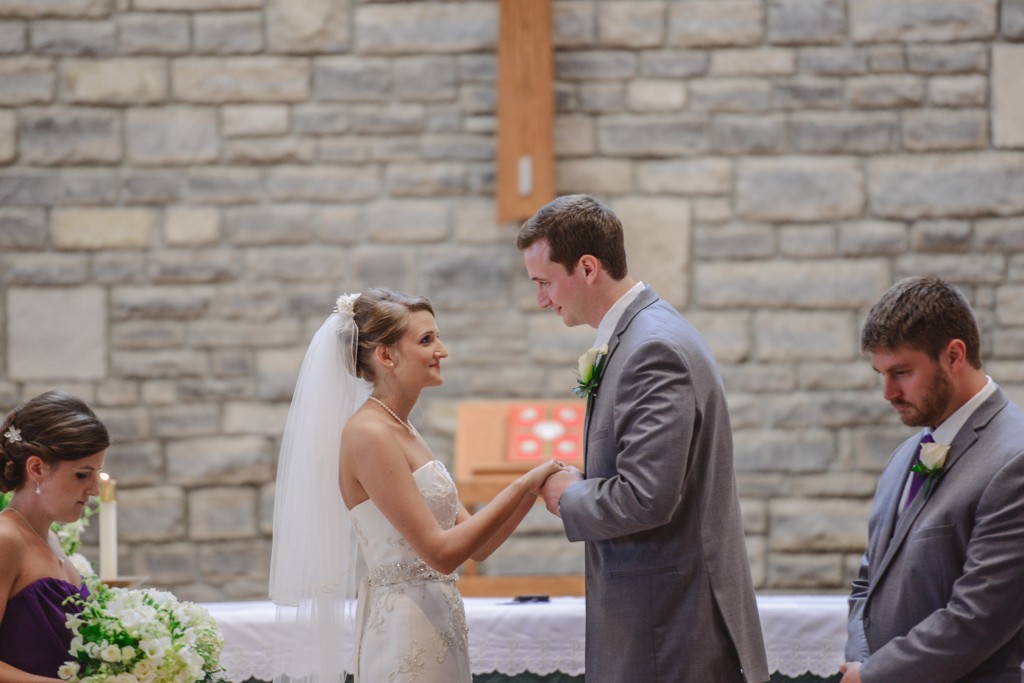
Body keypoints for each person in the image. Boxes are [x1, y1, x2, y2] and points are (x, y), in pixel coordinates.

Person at [516, 194, 769, 683]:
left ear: (587, 268)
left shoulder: (651, 348)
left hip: (670, 633)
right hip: (663, 623)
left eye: (545, 283)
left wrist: (571, 494)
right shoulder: (639, 336)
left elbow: (648, 496)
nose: (542, 299)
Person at [269, 288, 566, 683]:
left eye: (437, 337)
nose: (442, 351)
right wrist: (524, 482)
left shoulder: (403, 427)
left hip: (438, 619)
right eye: (426, 340)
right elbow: (441, 553)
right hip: (405, 630)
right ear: (386, 355)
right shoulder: (369, 434)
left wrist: (531, 490)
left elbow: (479, 545)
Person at [841, 277, 1024, 683]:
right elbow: (867, 584)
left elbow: (980, 617)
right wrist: (864, 663)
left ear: (954, 355)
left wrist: (875, 676)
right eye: (881, 373)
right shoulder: (903, 457)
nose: (888, 392)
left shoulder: (1016, 459)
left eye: (902, 372)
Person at [0, 390, 110, 682]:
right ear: (36, 468)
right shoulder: (5, 539)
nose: (94, 491)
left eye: (96, 474)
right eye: (82, 475)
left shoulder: (52, 540)